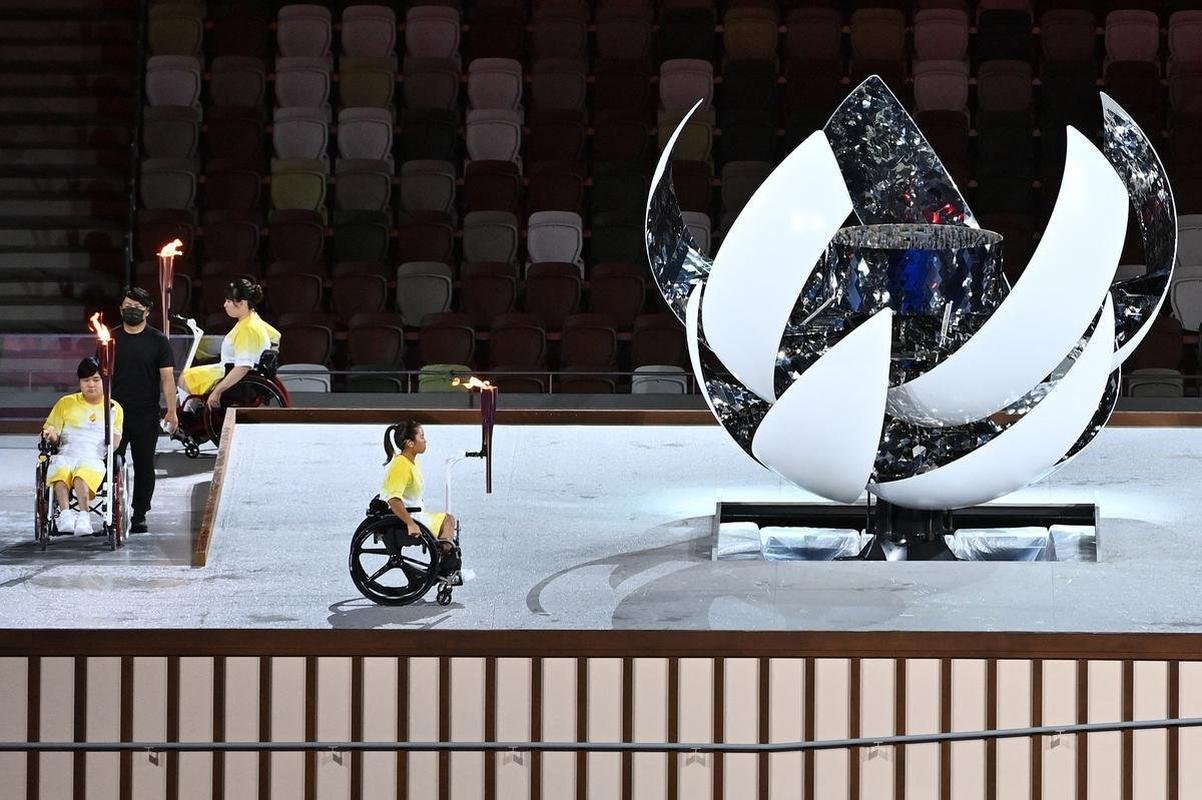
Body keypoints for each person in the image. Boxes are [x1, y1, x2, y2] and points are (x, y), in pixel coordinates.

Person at [112, 287, 177, 534]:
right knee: (111, 462)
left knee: (143, 465)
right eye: (126, 306)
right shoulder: (110, 339)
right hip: (115, 413)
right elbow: (100, 378)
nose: (130, 311)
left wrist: (171, 411)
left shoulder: (158, 341)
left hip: (146, 414)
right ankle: (112, 508)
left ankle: (139, 513)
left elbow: (168, 379)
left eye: (136, 307)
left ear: (147, 311)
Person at [42, 357, 124, 536]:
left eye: (96, 380)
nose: (91, 385)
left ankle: (84, 517)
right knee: (60, 473)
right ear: (80, 382)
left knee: (80, 476)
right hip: (67, 452)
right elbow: (53, 433)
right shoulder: (66, 403)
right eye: (86, 380)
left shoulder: (113, 408)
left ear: (105, 381)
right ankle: (65, 516)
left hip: (93, 457)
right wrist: (51, 435)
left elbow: (116, 443)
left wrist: (109, 441)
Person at [178, 278, 280, 410]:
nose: (225, 305)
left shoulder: (248, 328)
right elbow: (276, 336)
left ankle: (186, 417)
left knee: (184, 378)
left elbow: (243, 367)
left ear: (242, 303)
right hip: (229, 368)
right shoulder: (253, 320)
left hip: (232, 375)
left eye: (228, 301)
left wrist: (217, 391)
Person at [379, 420, 461, 576]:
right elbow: (393, 500)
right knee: (448, 521)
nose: (425, 440)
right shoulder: (401, 466)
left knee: (450, 522)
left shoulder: (410, 462)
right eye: (422, 436)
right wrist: (410, 524)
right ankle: (445, 567)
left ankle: (445, 559)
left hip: (414, 513)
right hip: (406, 518)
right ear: (410, 443)